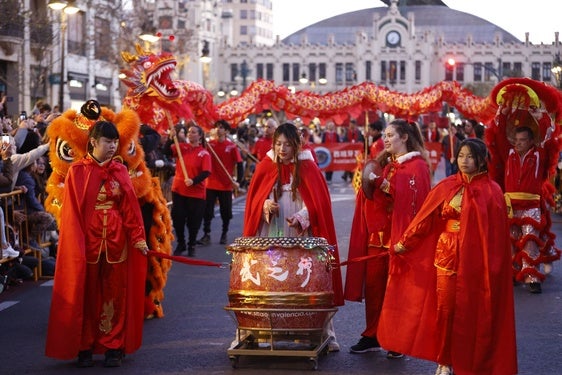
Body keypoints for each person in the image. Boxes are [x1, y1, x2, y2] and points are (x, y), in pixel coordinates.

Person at [377, 138, 518, 375]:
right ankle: (445, 360)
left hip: (478, 262)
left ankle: (474, 360)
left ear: (482, 160)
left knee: (475, 312)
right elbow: (425, 219)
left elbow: (497, 237)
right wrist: (403, 244)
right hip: (447, 257)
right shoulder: (447, 186)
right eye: (461, 155)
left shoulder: (493, 192)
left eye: (470, 156)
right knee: (446, 311)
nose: (464, 161)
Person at [45, 120, 149, 368]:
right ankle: (85, 346)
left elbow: (130, 210)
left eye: (115, 142)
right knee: (87, 294)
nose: (113, 146)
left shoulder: (120, 171)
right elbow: (71, 214)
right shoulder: (77, 172)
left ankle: (113, 346)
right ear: (93, 142)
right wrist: (74, 245)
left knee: (115, 294)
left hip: (116, 241)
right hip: (87, 243)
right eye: (108, 141)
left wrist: (137, 238)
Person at [243, 122, 344, 351]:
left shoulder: (308, 167)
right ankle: (259, 329)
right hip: (273, 232)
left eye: (287, 144)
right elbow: (255, 200)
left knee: (308, 280)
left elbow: (318, 204)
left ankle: (322, 332)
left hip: (302, 234)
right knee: (270, 278)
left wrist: (302, 216)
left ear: (297, 145)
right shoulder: (266, 166)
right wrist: (265, 204)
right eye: (278, 144)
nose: (282, 149)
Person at [345, 119, 431, 358]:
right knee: (374, 288)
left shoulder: (417, 167)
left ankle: (396, 338)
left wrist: (383, 184)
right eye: (385, 134)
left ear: (404, 137)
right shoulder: (386, 163)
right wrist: (368, 182)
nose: (386, 138)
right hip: (377, 239)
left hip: (400, 240)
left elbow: (414, 202)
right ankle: (372, 334)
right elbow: (371, 195)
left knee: (397, 290)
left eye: (391, 134)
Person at [487, 78, 562, 294]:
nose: (518, 142)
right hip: (510, 203)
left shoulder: (539, 153)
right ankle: (512, 275)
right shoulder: (508, 153)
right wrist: (501, 113)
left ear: (531, 141)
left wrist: (541, 117)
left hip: (531, 204)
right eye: (516, 139)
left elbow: (548, 138)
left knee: (530, 240)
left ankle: (531, 278)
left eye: (522, 139)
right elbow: (499, 136)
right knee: (510, 240)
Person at [164, 121, 211, 257]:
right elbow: (166, 151)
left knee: (193, 221)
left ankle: (191, 244)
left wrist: (193, 181)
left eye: (194, 132)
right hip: (179, 190)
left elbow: (206, 172)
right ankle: (181, 243)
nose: (190, 134)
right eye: (189, 132)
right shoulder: (181, 148)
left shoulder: (204, 153)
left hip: (196, 193)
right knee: (177, 218)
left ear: (200, 136)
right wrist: (169, 138)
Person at [197, 119, 243, 246]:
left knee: (226, 211)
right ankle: (206, 234)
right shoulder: (209, 145)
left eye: (222, 127)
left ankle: (224, 233)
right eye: (217, 127)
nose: (219, 129)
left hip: (226, 185)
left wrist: (238, 181)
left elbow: (239, 164)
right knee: (208, 211)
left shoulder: (232, 146)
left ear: (227, 131)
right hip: (210, 183)